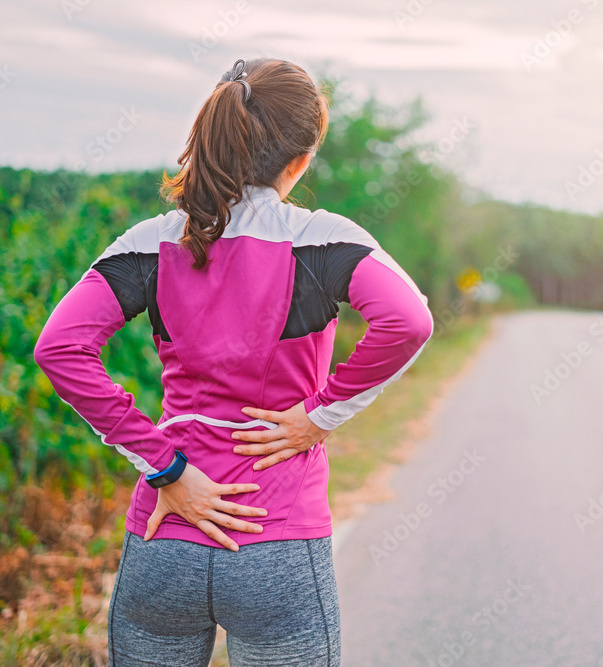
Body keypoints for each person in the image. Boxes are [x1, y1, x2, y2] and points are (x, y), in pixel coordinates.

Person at [33, 57, 434, 666]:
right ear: (300, 160)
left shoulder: (153, 240)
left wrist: (164, 465)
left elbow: (59, 348)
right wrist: (320, 415)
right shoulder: (324, 240)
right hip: (276, 536)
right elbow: (409, 321)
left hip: (164, 533)